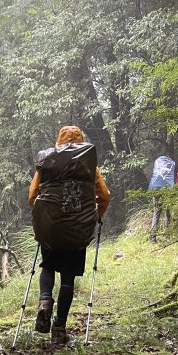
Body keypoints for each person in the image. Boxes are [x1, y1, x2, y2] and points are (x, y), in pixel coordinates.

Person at [28, 125, 110, 343]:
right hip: (77, 228)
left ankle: (45, 301)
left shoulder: (48, 163)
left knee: (48, 266)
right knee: (68, 277)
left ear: (58, 141)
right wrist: (94, 216)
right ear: (81, 141)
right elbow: (104, 195)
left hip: (52, 227)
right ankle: (59, 329)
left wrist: (45, 216)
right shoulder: (88, 166)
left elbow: (33, 195)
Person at [147, 154, 176, 234]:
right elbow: (174, 179)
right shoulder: (171, 165)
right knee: (168, 212)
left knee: (156, 213)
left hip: (156, 190)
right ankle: (167, 234)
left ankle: (152, 236)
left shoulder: (157, 165)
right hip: (167, 191)